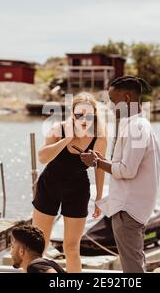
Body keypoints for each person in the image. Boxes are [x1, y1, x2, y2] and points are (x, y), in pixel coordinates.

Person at [80, 76, 160, 273]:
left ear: (126, 99)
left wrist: (97, 163)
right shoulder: (138, 124)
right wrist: (103, 160)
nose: (109, 105)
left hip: (128, 209)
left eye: (112, 100)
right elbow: (125, 165)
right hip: (132, 207)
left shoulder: (136, 128)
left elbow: (127, 170)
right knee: (133, 263)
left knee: (132, 269)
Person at [32, 92, 107, 273]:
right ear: (72, 114)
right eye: (79, 114)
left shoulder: (99, 137)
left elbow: (99, 167)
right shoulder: (58, 129)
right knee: (38, 245)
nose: (83, 119)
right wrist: (66, 139)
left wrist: (99, 197)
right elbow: (42, 158)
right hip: (49, 186)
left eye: (88, 115)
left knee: (71, 248)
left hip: (77, 190)